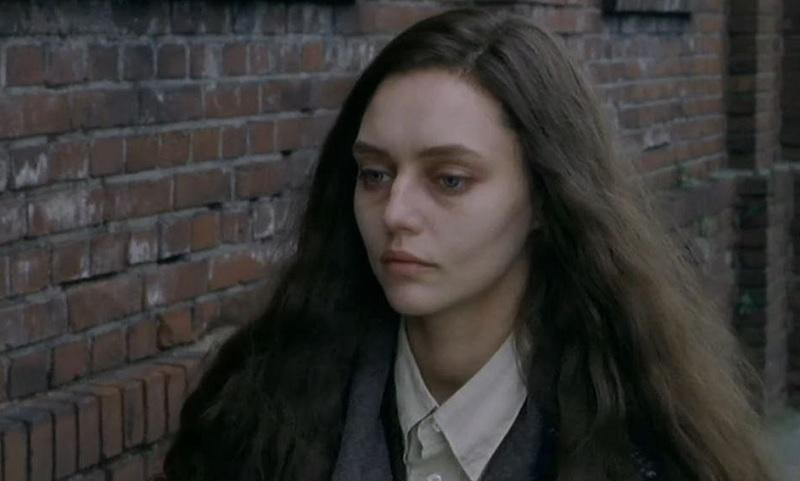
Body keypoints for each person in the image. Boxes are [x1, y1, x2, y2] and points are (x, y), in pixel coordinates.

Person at [162, 8, 775, 481]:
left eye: (449, 180)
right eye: (374, 173)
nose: (396, 212)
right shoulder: (256, 412)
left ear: (545, 198)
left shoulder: (644, 452)